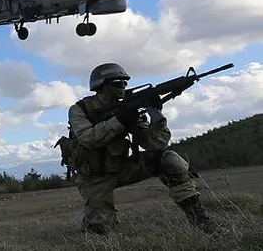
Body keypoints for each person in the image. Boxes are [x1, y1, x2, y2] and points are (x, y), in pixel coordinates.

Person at [64, 62, 220, 236]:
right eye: (117, 83)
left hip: (122, 168)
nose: (122, 87)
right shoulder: (80, 109)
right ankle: (92, 222)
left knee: (169, 159)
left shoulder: (127, 108)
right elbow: (88, 139)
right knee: (101, 232)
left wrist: (156, 115)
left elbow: (154, 144)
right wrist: (119, 121)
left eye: (125, 83)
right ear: (100, 87)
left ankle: (201, 221)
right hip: (93, 177)